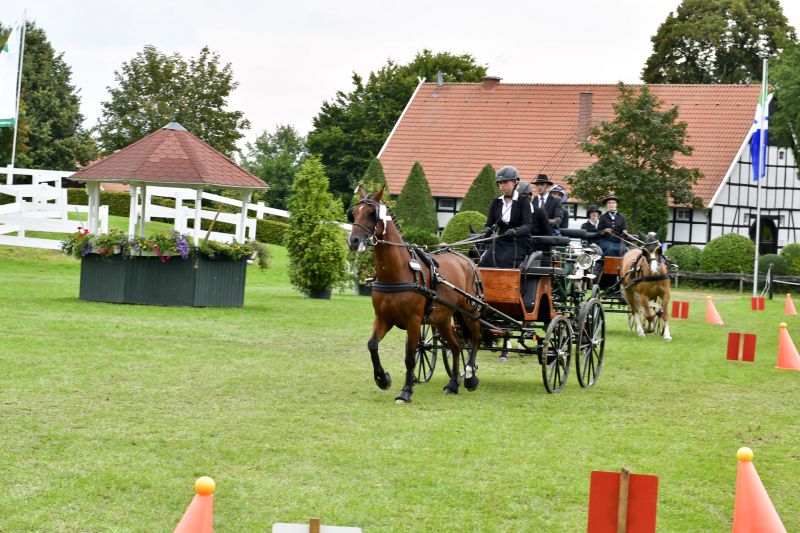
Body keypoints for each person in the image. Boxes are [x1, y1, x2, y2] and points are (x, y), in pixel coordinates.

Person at [478, 166, 533, 268]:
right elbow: (490, 223)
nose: (502, 185)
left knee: (504, 262)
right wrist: (486, 230)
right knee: (484, 262)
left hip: (519, 242)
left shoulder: (523, 201)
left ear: (514, 182)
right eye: (500, 183)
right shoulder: (496, 202)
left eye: (505, 182)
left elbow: (528, 226)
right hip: (501, 240)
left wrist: (515, 231)